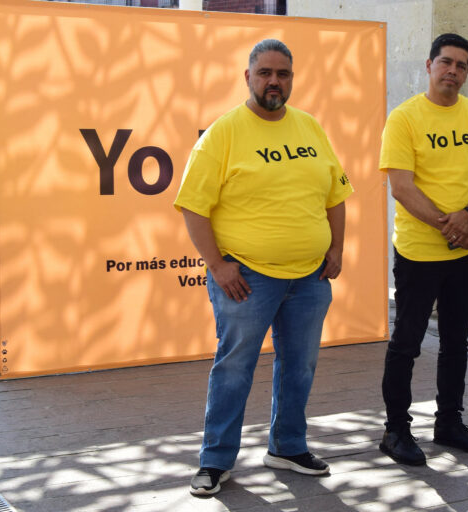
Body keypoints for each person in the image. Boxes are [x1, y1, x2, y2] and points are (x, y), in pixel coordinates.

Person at [174, 39, 353, 495]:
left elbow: (335, 194)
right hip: (248, 279)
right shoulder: (225, 132)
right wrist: (217, 265)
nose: (275, 81)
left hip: (310, 277)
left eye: (284, 74)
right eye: (266, 73)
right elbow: (193, 206)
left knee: (301, 366)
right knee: (234, 368)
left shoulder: (309, 127)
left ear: (292, 79)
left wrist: (336, 250)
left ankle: (288, 446)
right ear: (248, 77)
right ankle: (215, 461)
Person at [378, 33, 468, 466]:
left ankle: (449, 422)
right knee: (407, 343)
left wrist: (467, 216)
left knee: (457, 341)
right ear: (429, 65)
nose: (453, 71)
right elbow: (401, 187)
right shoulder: (405, 118)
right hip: (419, 253)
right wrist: (449, 226)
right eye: (446, 62)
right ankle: (395, 431)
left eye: (462, 66)